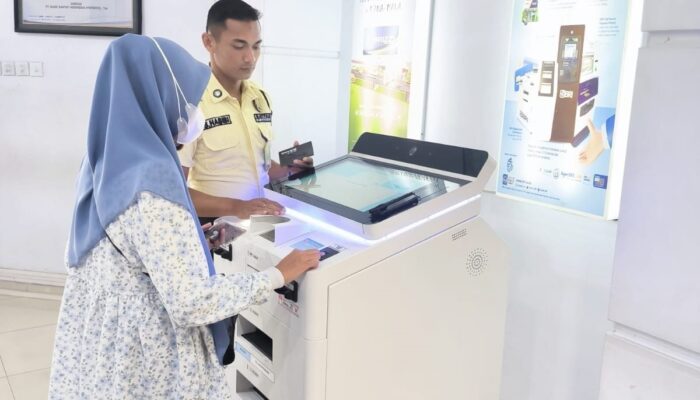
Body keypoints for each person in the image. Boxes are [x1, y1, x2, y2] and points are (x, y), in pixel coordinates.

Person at [48, 34, 320, 399]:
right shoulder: (155, 181)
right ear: (159, 95)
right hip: (150, 353)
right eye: (189, 99)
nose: (194, 111)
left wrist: (191, 241)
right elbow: (192, 301)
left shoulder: (102, 161)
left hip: (103, 342)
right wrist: (278, 274)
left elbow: (124, 245)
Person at [178, 0, 312, 223]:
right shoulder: (190, 103)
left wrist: (290, 169)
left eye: (256, 46)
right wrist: (237, 207)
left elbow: (261, 168)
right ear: (209, 42)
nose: (250, 58)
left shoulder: (260, 97)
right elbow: (173, 192)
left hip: (262, 225)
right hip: (215, 232)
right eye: (239, 46)